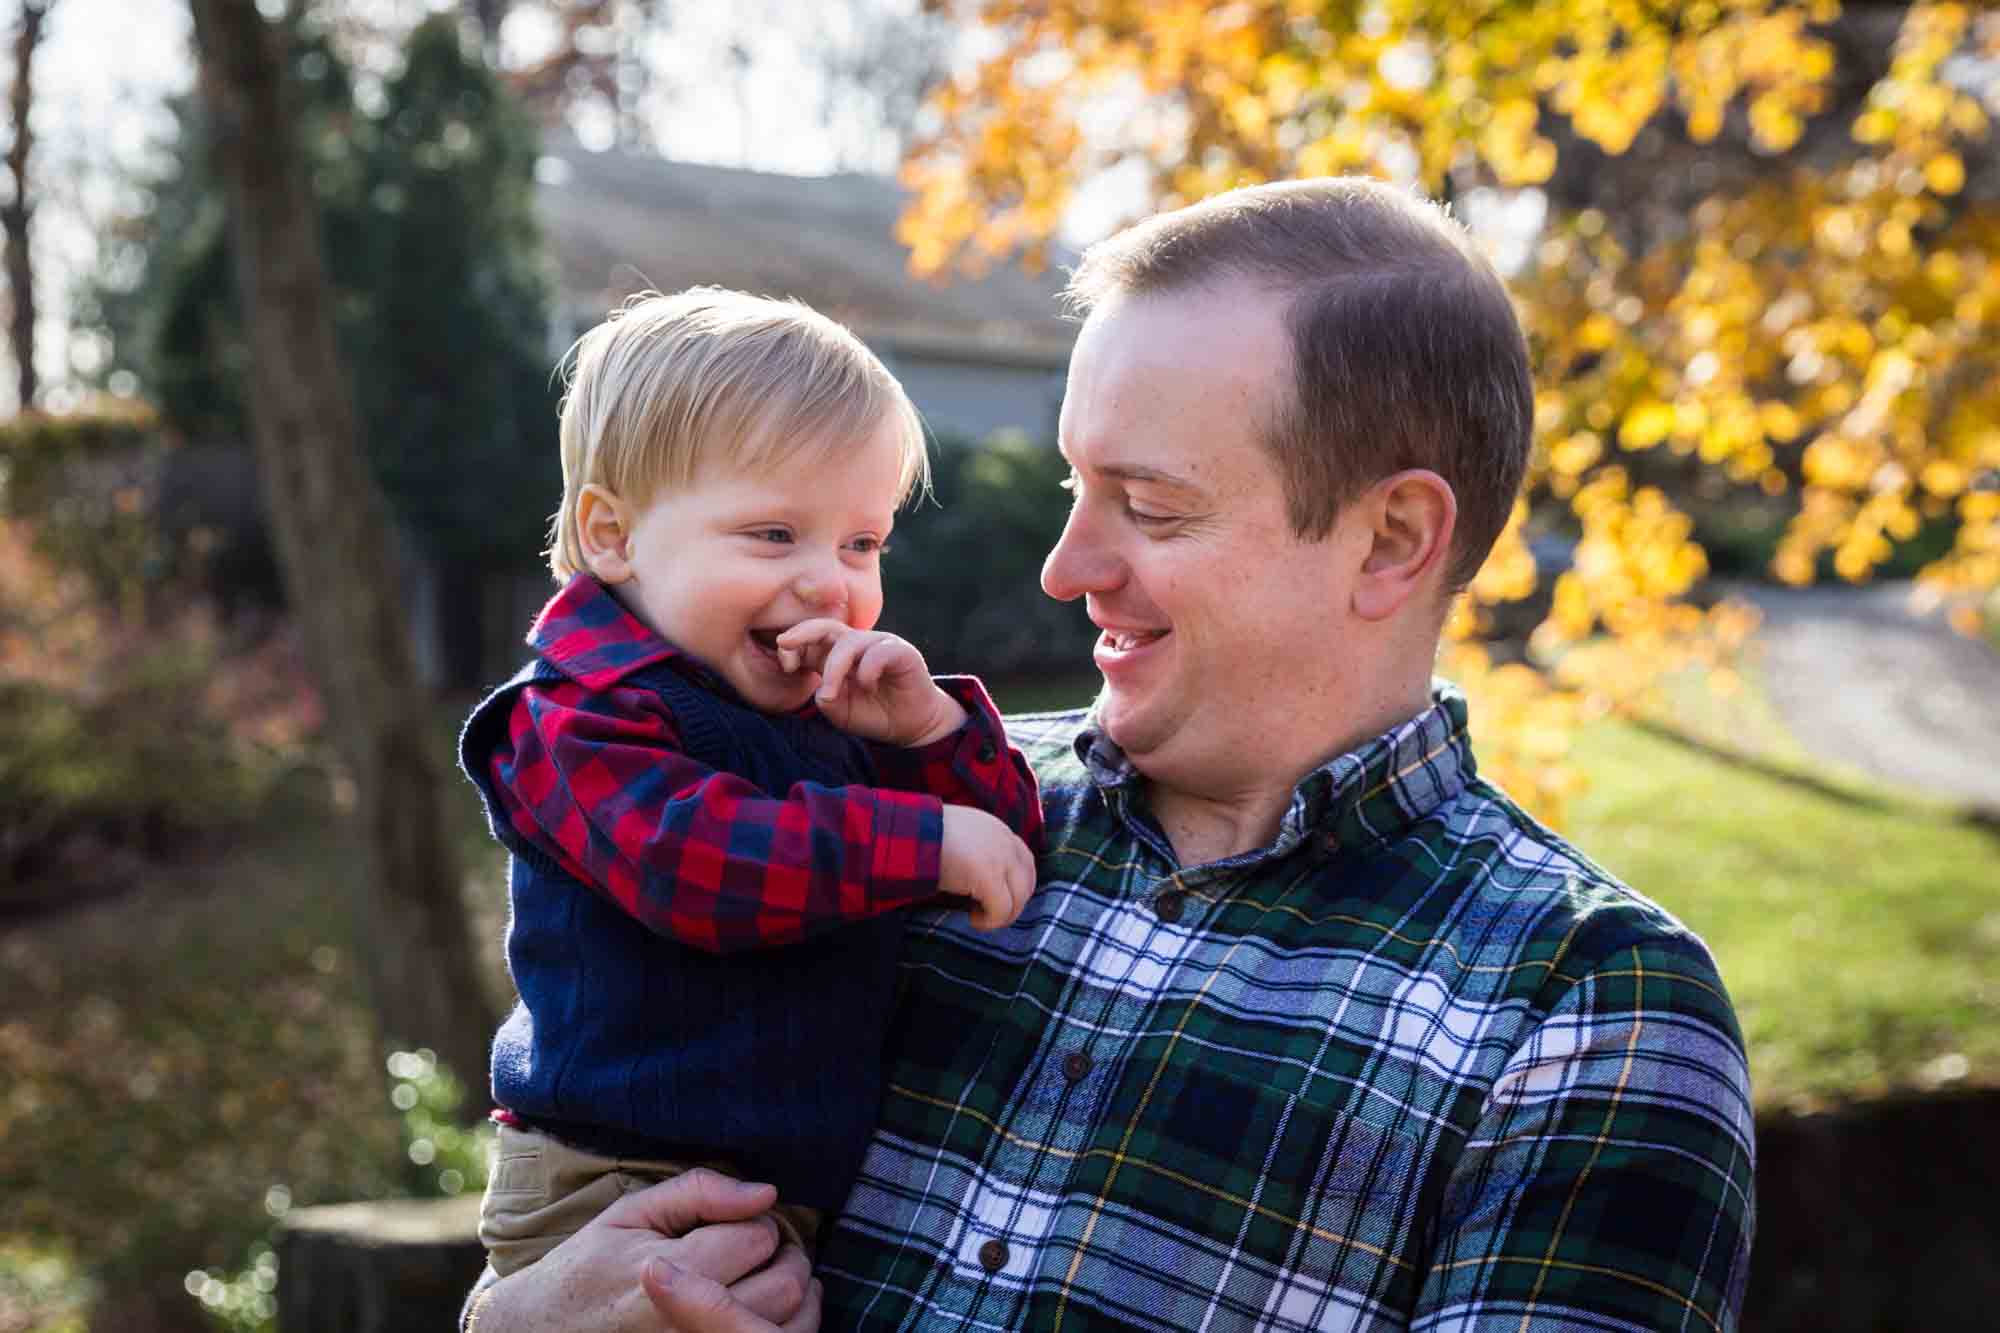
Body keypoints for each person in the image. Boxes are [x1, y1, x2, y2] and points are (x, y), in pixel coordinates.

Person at [462, 179, 1756, 1332]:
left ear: (1392, 539)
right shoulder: (926, 799)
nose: (1063, 568)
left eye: (1148, 506)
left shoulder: (1589, 1013)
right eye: (1076, 488)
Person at [456, 287, 1044, 1283]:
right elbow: (697, 862)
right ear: (613, 535)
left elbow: (1006, 855)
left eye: (861, 543)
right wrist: (920, 835)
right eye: (773, 535)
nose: (829, 581)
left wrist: (928, 733)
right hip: (611, 1186)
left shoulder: (823, 713)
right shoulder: (572, 719)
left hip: (790, 1192)